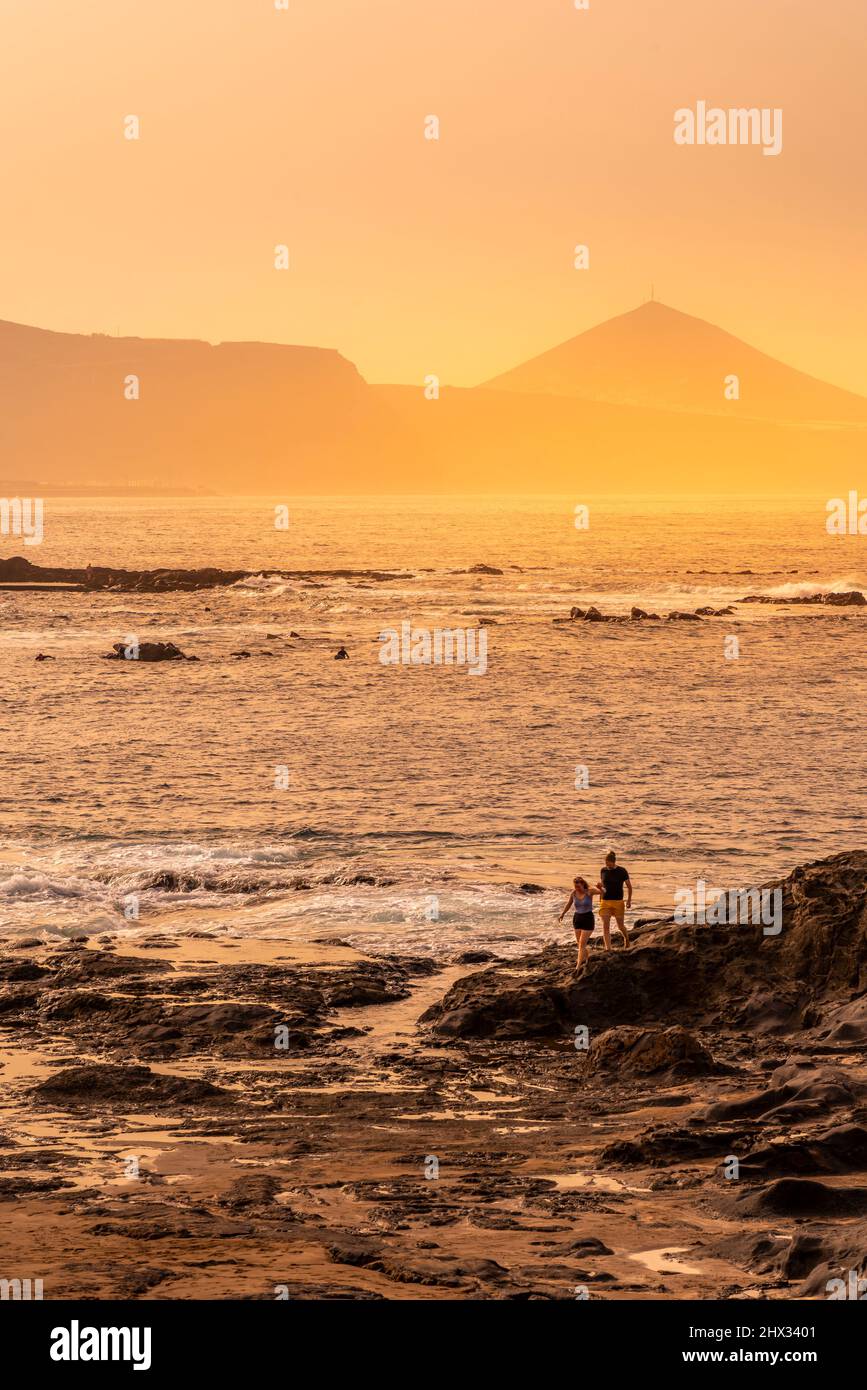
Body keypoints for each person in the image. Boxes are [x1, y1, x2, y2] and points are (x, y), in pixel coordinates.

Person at [558, 875, 600, 971]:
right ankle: (587, 958)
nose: (577, 888)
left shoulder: (589, 892)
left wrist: (599, 887)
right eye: (575, 886)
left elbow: (601, 892)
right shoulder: (573, 893)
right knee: (580, 943)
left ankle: (578, 966)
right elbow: (569, 904)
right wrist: (562, 914)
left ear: (583, 884)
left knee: (581, 944)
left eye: (578, 886)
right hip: (577, 919)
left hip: (588, 919)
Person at [596, 850, 632, 951]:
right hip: (605, 901)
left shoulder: (622, 871)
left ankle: (626, 939)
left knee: (620, 926)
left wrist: (629, 900)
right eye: (606, 863)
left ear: (613, 862)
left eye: (609, 864)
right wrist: (600, 897)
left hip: (618, 902)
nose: (607, 866)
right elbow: (603, 886)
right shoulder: (603, 870)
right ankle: (608, 948)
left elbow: (629, 887)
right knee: (605, 926)